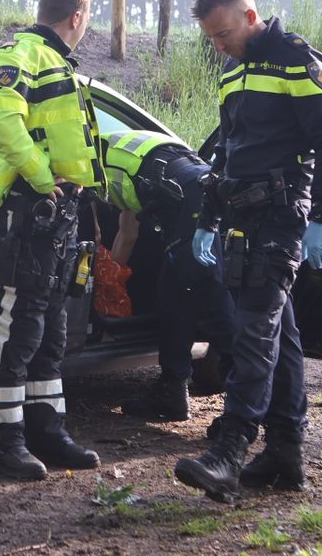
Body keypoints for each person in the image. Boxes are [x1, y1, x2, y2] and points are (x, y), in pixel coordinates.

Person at [173, 0, 322, 504]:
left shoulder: (298, 61)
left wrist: (320, 217)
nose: (218, 46)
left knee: (254, 333)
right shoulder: (232, 72)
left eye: (223, 34)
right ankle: (285, 454)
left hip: (283, 216)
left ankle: (230, 451)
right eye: (210, 39)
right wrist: (208, 216)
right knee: (282, 336)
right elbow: (226, 149)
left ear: (249, 17)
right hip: (241, 216)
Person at [0, 0, 107, 481]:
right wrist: (40, 176)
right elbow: (1, 122)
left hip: (60, 213)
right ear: (78, 16)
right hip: (31, 210)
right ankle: (4, 442)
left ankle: (46, 431)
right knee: (19, 328)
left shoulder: (55, 64)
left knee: (51, 327)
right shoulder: (18, 58)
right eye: (88, 17)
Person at [99, 130, 233, 422]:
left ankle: (246, 404)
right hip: (204, 188)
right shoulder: (120, 145)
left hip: (192, 202)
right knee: (174, 295)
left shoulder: (93, 162)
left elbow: (124, 235)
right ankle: (172, 393)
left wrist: (104, 284)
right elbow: (128, 228)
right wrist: (112, 278)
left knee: (211, 301)